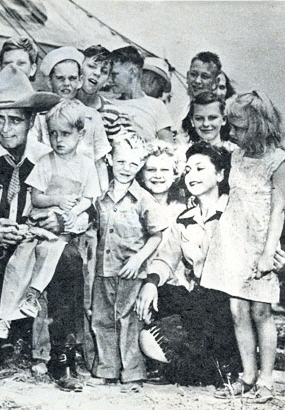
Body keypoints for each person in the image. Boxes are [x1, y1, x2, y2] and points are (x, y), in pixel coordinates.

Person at [0, 66, 87, 393]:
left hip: (33, 254)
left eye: (15, 120)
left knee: (68, 258)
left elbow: (85, 207)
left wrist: (61, 220)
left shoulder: (50, 157)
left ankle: (63, 356)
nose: (5, 128)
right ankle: (1, 345)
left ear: (32, 121)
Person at [0, 99, 100, 339]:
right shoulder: (45, 162)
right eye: (53, 134)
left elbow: (89, 200)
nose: (59, 140)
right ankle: (5, 317)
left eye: (66, 134)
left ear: (80, 134)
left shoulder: (87, 165)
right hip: (38, 224)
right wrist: (57, 200)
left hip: (64, 231)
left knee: (56, 253)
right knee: (18, 263)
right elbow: (36, 198)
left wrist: (71, 214)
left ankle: (32, 297)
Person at [200, 91, 285, 403]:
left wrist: (268, 252)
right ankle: (247, 375)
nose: (232, 132)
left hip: (260, 243)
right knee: (237, 309)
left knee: (261, 310)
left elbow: (279, 210)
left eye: (239, 127)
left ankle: (266, 380)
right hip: (233, 241)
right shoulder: (236, 155)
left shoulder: (278, 161)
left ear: (260, 126)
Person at [135, 142, 242, 386]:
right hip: (200, 301)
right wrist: (151, 282)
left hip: (230, 303)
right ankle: (207, 369)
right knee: (150, 336)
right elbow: (166, 258)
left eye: (200, 169)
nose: (191, 176)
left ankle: (224, 364)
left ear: (220, 174)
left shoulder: (235, 211)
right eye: (188, 170)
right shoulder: (184, 219)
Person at [91, 134, 168, 391]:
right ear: (110, 159)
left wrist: (138, 259)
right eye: (121, 161)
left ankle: (133, 374)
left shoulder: (144, 199)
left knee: (129, 320)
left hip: (131, 271)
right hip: (103, 269)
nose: (126, 169)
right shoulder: (99, 196)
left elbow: (157, 235)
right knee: (102, 319)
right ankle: (107, 370)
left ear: (141, 165)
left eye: (134, 164)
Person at [34, 46, 111, 192]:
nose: (67, 84)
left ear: (80, 81)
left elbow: (100, 163)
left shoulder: (92, 117)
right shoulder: (40, 117)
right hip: (48, 192)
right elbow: (34, 160)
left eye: (72, 78)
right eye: (60, 78)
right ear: (49, 81)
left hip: (84, 193)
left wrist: (102, 194)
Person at [110, 46, 174, 143]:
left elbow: (170, 149)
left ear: (132, 72)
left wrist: (141, 133)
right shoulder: (108, 105)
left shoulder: (157, 106)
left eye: (114, 74)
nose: (109, 79)